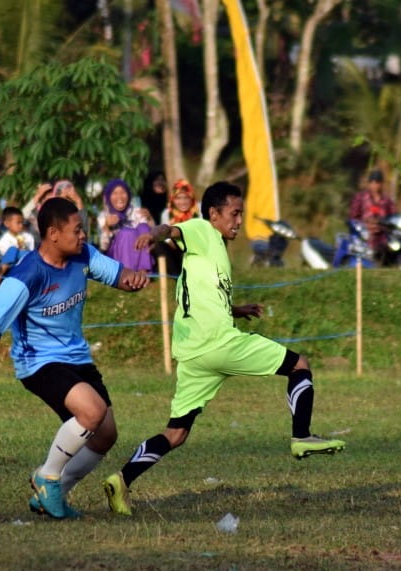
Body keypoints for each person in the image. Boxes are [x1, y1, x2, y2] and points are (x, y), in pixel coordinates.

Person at [102, 181, 345, 516]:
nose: (240, 221)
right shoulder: (203, 230)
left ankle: (121, 480)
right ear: (214, 214)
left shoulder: (211, 252)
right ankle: (301, 436)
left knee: (175, 433)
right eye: (234, 213)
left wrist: (236, 309)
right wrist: (153, 235)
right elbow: (170, 228)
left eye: (241, 213)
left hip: (193, 355)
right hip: (219, 343)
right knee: (299, 364)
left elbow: (203, 299)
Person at [0, 197, 150, 520]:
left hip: (76, 357)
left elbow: (118, 274)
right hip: (39, 362)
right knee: (92, 411)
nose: (83, 235)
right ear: (53, 234)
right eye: (77, 230)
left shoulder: (82, 256)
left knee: (106, 434)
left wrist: (133, 279)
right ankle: (47, 477)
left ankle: (50, 493)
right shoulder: (26, 274)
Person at [97, 178, 153, 271]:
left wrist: (150, 220)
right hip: (115, 258)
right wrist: (107, 227)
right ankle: (127, 273)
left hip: (138, 254)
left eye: (123, 192)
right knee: (127, 233)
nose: (120, 197)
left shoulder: (136, 212)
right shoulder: (103, 216)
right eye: (115, 193)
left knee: (143, 228)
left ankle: (144, 271)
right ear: (108, 197)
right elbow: (103, 247)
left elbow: (151, 234)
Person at [150, 178, 197, 276]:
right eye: (178, 198)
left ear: (191, 197)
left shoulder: (198, 211)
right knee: (159, 246)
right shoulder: (167, 214)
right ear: (173, 199)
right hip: (176, 248)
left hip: (196, 248)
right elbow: (164, 236)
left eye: (186, 198)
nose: (182, 202)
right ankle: (177, 276)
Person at [349, 169, 396, 262]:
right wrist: (365, 225)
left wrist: (383, 225)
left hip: (382, 238)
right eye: (372, 182)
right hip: (364, 236)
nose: (374, 185)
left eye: (377, 182)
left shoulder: (387, 201)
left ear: (381, 184)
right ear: (369, 183)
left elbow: (393, 218)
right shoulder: (361, 198)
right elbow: (353, 217)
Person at [0, 205, 35, 291]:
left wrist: (23, 248)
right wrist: (18, 248)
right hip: (7, 266)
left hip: (24, 264)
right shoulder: (4, 240)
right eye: (18, 223)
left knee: (27, 254)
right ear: (7, 224)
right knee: (12, 250)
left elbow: (31, 253)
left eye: (22, 222)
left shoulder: (28, 237)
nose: (21, 225)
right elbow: (6, 256)